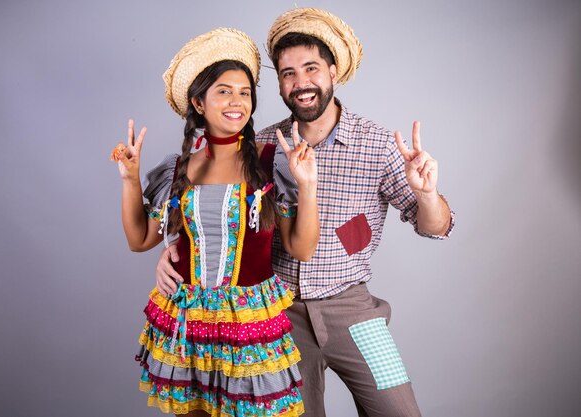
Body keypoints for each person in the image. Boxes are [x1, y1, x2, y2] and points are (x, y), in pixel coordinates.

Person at [156, 9, 455, 417]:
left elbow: (436, 227)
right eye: (287, 73)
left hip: (352, 309)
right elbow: (208, 217)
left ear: (333, 71)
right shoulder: (258, 147)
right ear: (278, 83)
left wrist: (427, 194)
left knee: (400, 412)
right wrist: (171, 252)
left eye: (310, 68)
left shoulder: (379, 145)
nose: (300, 83)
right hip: (278, 316)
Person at [111, 28, 319, 417]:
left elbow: (302, 248)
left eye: (244, 92)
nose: (237, 101)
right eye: (224, 91)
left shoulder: (273, 159)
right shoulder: (177, 168)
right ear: (198, 102)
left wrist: (307, 187)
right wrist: (130, 180)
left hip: (249, 320)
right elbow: (140, 240)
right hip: (188, 318)